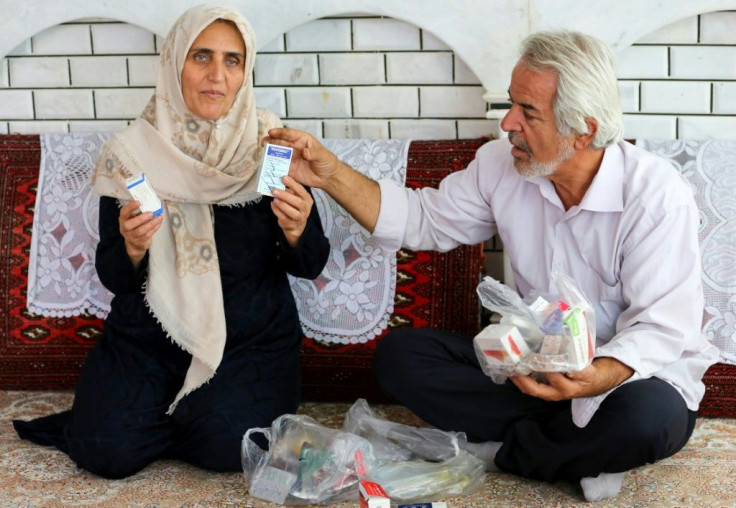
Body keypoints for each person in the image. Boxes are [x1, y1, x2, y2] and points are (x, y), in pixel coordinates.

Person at [264, 30, 720, 502]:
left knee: (646, 422)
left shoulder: (655, 194)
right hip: (533, 368)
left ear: (582, 130)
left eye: (528, 112)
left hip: (625, 380)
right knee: (401, 358)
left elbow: (663, 327)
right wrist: (331, 173)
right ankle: (577, 451)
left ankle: (503, 454)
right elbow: (423, 220)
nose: (507, 123)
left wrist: (593, 377)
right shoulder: (501, 165)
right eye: (511, 104)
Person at [13, 4, 329, 479]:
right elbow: (115, 277)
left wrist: (297, 229)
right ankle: (166, 415)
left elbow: (310, 262)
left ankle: (186, 416)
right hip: (148, 344)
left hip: (249, 345)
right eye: (201, 57)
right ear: (174, 61)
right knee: (104, 452)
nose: (216, 75)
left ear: (246, 71)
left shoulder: (269, 144)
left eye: (232, 60)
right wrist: (133, 247)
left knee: (229, 447)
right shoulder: (131, 153)